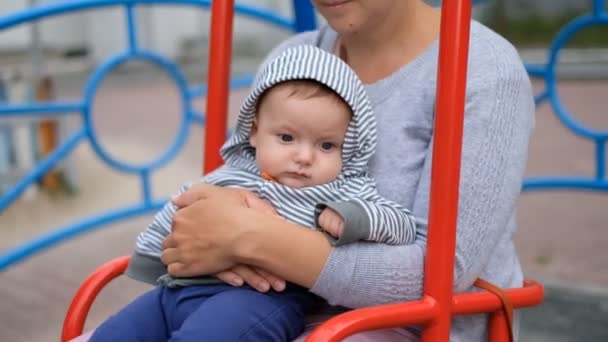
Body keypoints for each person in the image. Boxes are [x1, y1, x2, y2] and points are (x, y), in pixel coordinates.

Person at [158, 0, 536, 341]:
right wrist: (217, 240)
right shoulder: (295, 58)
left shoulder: (481, 70)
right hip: (268, 306)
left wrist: (251, 239)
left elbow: (440, 273)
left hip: (420, 327)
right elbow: (237, 183)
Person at [89, 45, 418, 341]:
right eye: (287, 138)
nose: (304, 157)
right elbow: (181, 209)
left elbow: (401, 224)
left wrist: (355, 218)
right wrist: (152, 261)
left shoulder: (343, 189)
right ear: (255, 133)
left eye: (326, 145)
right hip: (177, 291)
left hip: (259, 299)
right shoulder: (228, 177)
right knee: (116, 333)